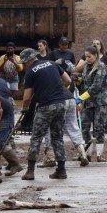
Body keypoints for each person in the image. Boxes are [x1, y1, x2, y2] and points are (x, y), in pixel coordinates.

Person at [20, 48, 72, 180]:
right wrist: (56, 88)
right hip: (61, 104)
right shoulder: (52, 63)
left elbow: (26, 97)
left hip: (46, 106)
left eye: (24, 63)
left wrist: (25, 109)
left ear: (28, 60)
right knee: (58, 137)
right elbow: (68, 81)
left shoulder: (31, 72)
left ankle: (30, 171)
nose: (24, 65)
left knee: (36, 137)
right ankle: (61, 170)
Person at [79, 46, 107, 162]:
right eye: (86, 56)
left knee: (99, 127)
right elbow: (85, 81)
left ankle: (99, 154)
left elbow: (96, 86)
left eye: (89, 56)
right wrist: (78, 80)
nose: (87, 59)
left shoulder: (101, 67)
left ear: (95, 56)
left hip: (101, 102)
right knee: (85, 127)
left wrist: (81, 97)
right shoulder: (86, 67)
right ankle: (87, 154)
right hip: (88, 102)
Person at [0, 77, 23, 176]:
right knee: (6, 139)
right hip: (5, 106)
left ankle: (16, 164)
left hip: (5, 114)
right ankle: (10, 163)